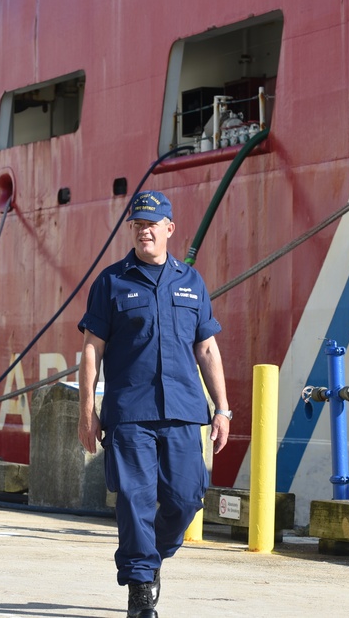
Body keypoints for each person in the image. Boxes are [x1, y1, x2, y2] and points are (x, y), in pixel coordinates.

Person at [77, 190, 231, 618]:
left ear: (169, 229)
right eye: (138, 224)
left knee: (186, 497)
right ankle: (140, 585)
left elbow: (207, 350)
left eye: (153, 223)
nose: (145, 230)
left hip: (183, 410)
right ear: (131, 229)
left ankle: (155, 555)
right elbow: (92, 351)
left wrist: (223, 407)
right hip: (130, 413)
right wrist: (86, 410)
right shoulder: (111, 282)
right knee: (133, 498)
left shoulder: (191, 281)